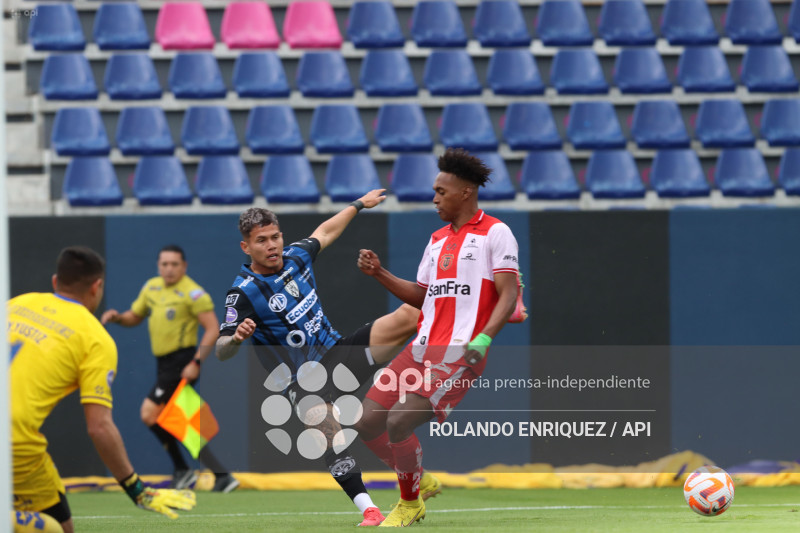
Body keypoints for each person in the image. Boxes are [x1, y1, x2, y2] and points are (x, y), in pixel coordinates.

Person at [215, 190, 440, 526]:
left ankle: (463, 327)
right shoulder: (242, 293)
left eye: (275, 236)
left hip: (339, 354)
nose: (272, 245)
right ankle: (370, 509)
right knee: (325, 431)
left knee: (410, 314)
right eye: (261, 241)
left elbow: (325, 232)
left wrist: (358, 205)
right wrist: (235, 337)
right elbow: (221, 350)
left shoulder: (296, 257)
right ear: (246, 247)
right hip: (301, 380)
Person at [354, 149, 521, 527]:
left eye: (441, 191)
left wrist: (484, 340)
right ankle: (419, 478)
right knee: (366, 421)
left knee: (398, 421)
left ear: (465, 192)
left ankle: (410, 503)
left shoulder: (496, 232)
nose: (434, 198)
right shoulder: (436, 240)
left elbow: (508, 294)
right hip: (420, 349)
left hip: (460, 353)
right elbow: (422, 296)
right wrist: (380, 273)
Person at [9, 246, 196, 533]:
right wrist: (137, 490)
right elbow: (99, 426)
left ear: (55, 281)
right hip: (12, 441)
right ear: (97, 287)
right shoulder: (95, 338)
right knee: (59, 529)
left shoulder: (17, 303)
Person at [101, 245, 238, 493]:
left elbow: (213, 329)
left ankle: (182, 470)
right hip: (163, 363)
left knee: (149, 413)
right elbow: (136, 315)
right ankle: (222, 476)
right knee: (183, 421)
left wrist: (196, 363)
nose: (169, 269)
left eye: (174, 264)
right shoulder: (151, 287)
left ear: (184, 266)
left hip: (181, 361)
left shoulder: (193, 293)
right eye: (164, 264)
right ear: (158, 266)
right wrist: (119, 318)